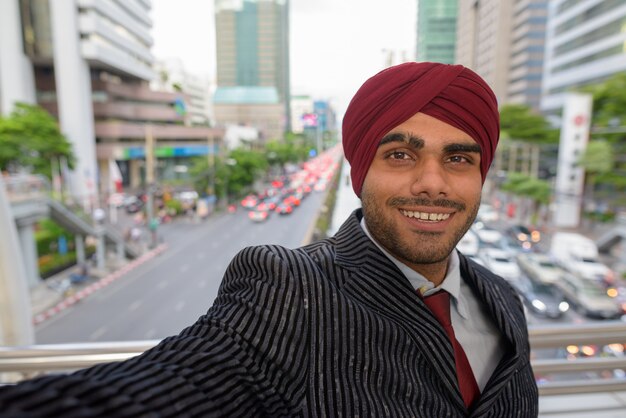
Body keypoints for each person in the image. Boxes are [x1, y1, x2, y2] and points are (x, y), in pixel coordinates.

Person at [0, 62, 537, 417]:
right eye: (400, 155)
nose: (433, 183)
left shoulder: (504, 301)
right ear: (359, 172)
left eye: (459, 158)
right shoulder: (291, 289)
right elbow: (165, 390)